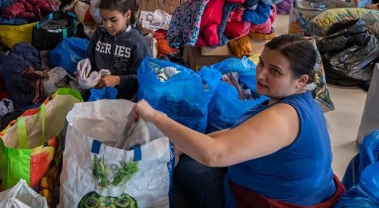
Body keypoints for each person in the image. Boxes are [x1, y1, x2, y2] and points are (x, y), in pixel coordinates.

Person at [133, 34, 345, 208]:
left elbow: (214, 154)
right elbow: (238, 133)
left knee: (179, 174)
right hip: (284, 191)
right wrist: (180, 146)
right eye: (262, 63)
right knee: (185, 155)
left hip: (268, 202)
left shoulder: (284, 117)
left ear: (301, 80)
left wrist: (155, 116)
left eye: (275, 71)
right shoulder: (297, 100)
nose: (260, 75)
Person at [88, 0, 151, 100]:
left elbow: (144, 78)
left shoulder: (137, 42)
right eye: (104, 19)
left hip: (125, 98)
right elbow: (90, 60)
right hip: (99, 92)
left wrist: (117, 80)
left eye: (113, 20)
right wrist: (86, 72)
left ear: (127, 15)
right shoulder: (99, 34)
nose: (107, 25)